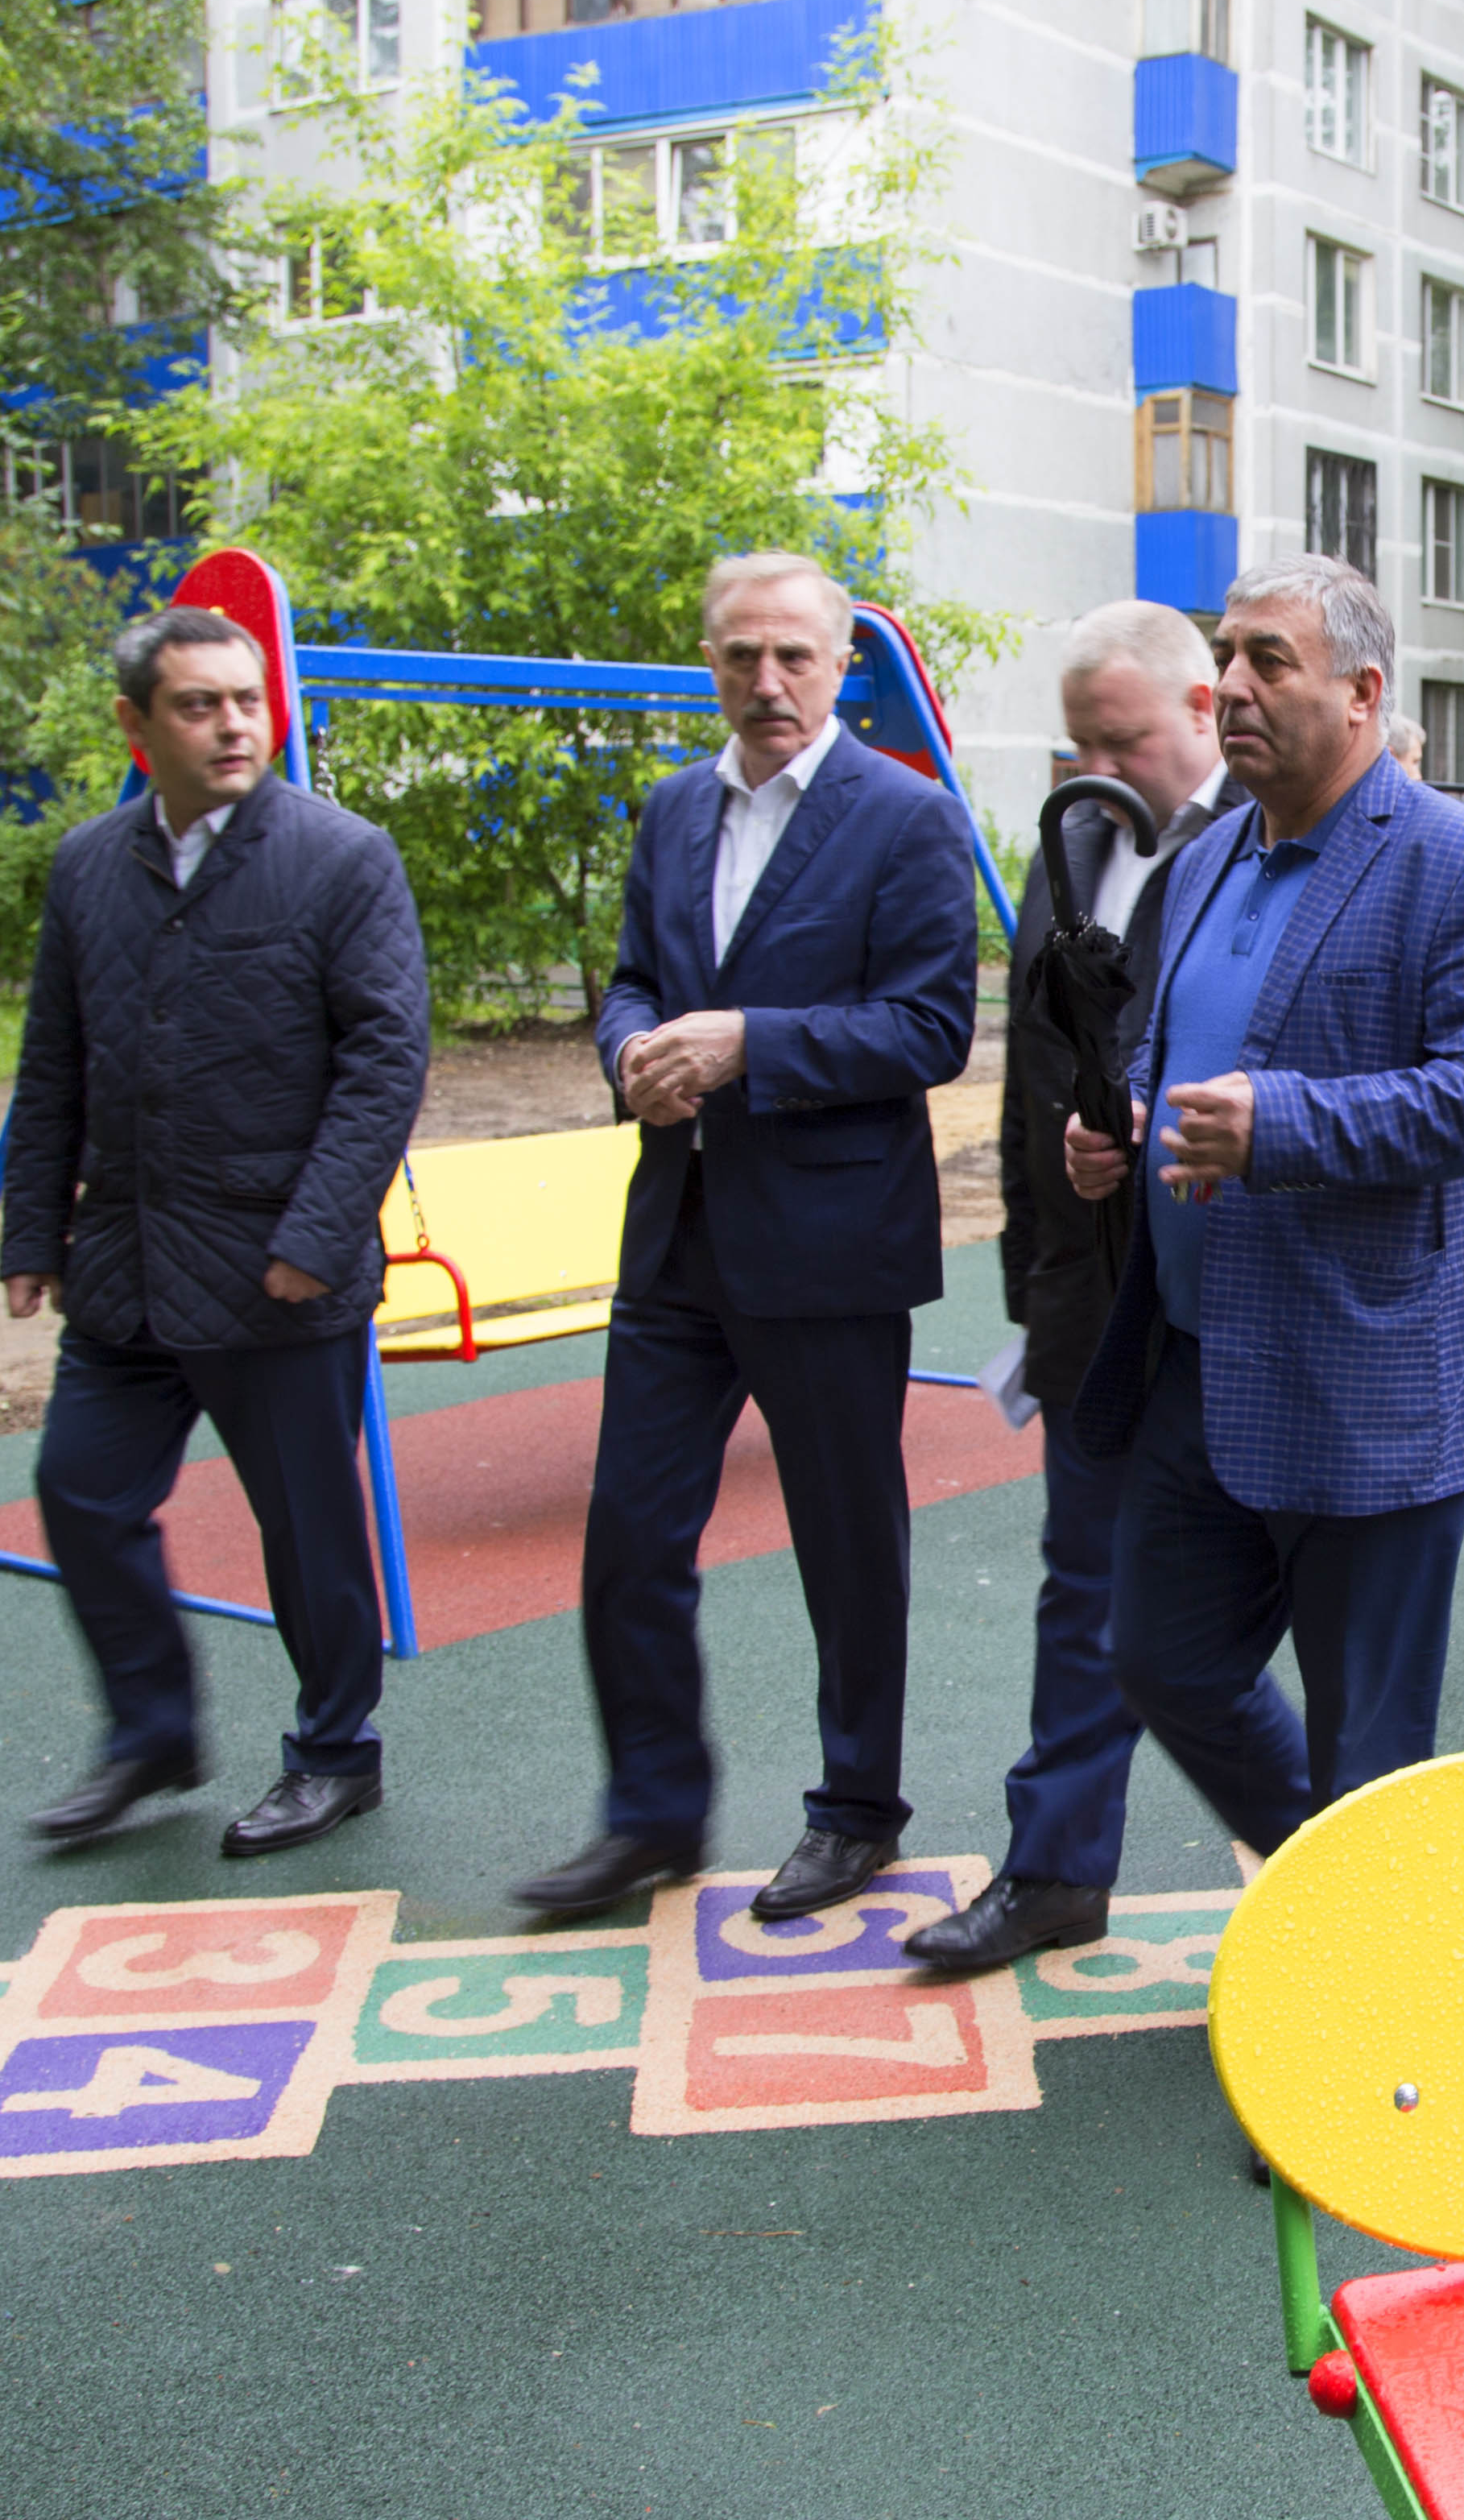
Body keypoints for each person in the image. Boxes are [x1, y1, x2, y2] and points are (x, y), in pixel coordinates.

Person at [511, 553, 979, 1930]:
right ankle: (651, 1814)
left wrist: (747, 1045)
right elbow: (632, 984)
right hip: (679, 1232)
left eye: (793, 656)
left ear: (840, 666)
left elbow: (932, 1028)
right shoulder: (674, 809)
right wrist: (629, 1054)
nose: (766, 681)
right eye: (739, 656)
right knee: (629, 1534)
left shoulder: (906, 817)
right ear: (710, 664)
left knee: (846, 1540)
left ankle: (857, 1810)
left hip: (829, 1239)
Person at [1065, 561, 1464, 1854]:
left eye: (1269, 660)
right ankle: (1334, 1887)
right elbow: (1169, 1047)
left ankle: (1363, 1928)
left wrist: (1276, 1127)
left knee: (1368, 1754)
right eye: (1226, 655)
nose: (1231, 685)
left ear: (1361, 692)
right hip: (1200, 1361)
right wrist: (1127, 1120)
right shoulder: (1204, 862)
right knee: (1161, 1662)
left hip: (1369, 1379)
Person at [0, 602, 431, 1860]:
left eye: (249, 700)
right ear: (136, 724)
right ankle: (150, 1734)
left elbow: (384, 1063)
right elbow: (53, 1061)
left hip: (276, 1271)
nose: (236, 725)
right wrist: (33, 1232)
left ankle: (336, 1754)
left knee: (308, 1534)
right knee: (80, 1491)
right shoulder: (90, 865)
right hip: (126, 1262)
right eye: (200, 705)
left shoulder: (341, 858)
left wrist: (316, 1234)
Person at [907, 605, 1285, 1977]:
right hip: (1093, 1298)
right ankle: (1056, 1867)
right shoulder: (1072, 845)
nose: (1100, 768)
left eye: (1122, 739)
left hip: (1242, 1295)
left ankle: (1337, 1864)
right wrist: (1034, 1284)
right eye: (1080, 745)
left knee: (1227, 1629)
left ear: (1202, 707)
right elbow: (1033, 1087)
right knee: (1086, 1593)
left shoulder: (1270, 841)